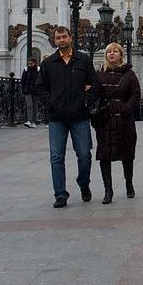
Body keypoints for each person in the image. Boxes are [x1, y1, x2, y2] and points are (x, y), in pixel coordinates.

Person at [40, 24, 97, 207]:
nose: (61, 40)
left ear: (70, 38)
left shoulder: (83, 60)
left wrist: (85, 101)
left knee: (84, 154)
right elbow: (40, 87)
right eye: (58, 38)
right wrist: (51, 102)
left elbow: (94, 85)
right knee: (56, 156)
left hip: (79, 115)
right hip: (57, 117)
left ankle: (83, 183)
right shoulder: (48, 64)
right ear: (54, 41)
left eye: (64, 37)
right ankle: (60, 194)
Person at [94, 42, 140, 203]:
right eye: (109, 52)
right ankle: (108, 190)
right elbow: (94, 94)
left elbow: (135, 95)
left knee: (127, 153)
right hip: (105, 119)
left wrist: (126, 108)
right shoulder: (99, 74)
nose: (112, 54)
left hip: (124, 120)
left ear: (121, 55)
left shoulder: (129, 75)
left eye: (115, 51)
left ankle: (129, 183)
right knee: (104, 154)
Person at [20, 56, 41, 127]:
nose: (29, 65)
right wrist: (23, 89)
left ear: (34, 63)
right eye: (28, 63)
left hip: (35, 90)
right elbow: (22, 80)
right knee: (29, 105)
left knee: (35, 106)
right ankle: (29, 120)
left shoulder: (38, 70)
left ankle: (34, 121)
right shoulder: (26, 70)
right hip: (27, 90)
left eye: (31, 63)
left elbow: (40, 80)